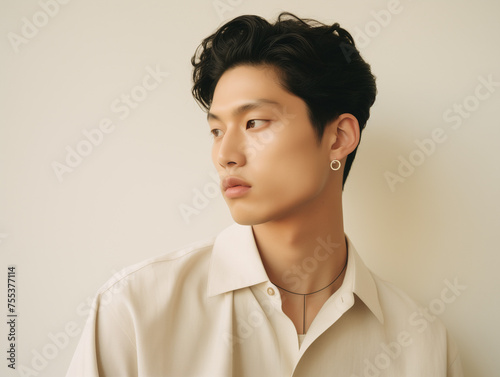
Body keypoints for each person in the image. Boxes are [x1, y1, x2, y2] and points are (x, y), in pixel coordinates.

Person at [65, 12, 463, 376]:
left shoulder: (423, 346)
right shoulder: (135, 310)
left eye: (254, 122)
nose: (225, 155)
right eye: (216, 131)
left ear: (338, 137)